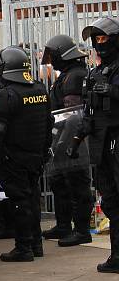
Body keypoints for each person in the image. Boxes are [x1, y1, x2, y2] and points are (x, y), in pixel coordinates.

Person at [0, 47, 53, 262]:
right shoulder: (40, 90)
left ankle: (24, 247)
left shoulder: (5, 96)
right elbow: (47, 123)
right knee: (32, 198)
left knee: (19, 201)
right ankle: (35, 244)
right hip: (35, 155)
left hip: (12, 156)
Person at [68, 17, 119, 272]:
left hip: (117, 140)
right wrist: (77, 139)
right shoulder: (96, 72)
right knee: (110, 202)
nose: (100, 44)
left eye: (104, 39)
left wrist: (110, 89)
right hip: (101, 145)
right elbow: (90, 112)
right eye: (96, 40)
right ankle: (117, 256)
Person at [41, 35, 92, 247]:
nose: (51, 60)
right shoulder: (67, 75)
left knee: (77, 184)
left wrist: (67, 142)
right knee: (59, 182)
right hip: (61, 137)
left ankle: (81, 230)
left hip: (73, 139)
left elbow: (73, 113)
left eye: (53, 55)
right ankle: (63, 225)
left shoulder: (75, 76)